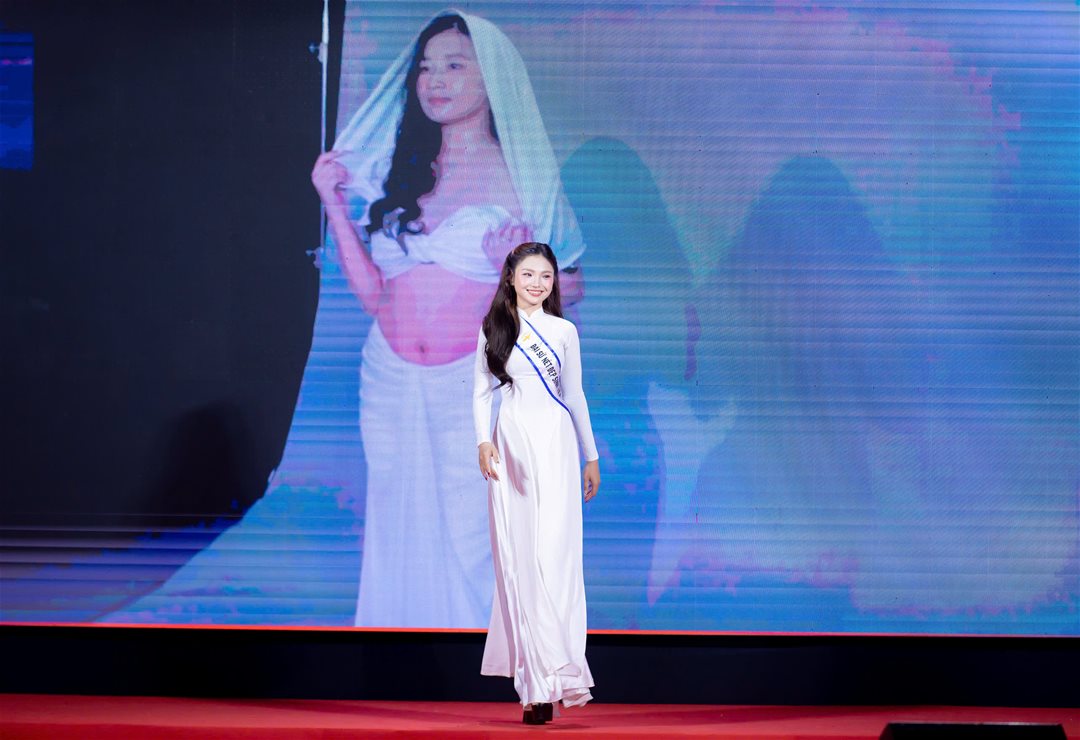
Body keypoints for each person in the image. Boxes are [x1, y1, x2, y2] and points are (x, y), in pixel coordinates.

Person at [311, 12, 586, 627]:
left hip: (473, 382)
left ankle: (482, 655)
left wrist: (511, 274)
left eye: (455, 66)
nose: (435, 81)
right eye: (426, 68)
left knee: (474, 530)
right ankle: (396, 649)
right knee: (396, 520)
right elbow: (374, 296)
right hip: (388, 378)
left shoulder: (522, 175)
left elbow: (570, 286)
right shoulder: (401, 172)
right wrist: (332, 203)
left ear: (492, 78)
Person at [473, 242, 600, 724]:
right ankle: (533, 688)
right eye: (528, 274)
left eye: (546, 276)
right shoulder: (494, 327)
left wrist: (591, 455)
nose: (537, 284)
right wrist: (482, 441)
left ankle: (559, 672)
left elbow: (575, 394)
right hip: (512, 447)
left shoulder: (564, 331)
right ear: (511, 277)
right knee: (521, 558)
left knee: (556, 557)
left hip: (557, 445)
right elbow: (481, 390)